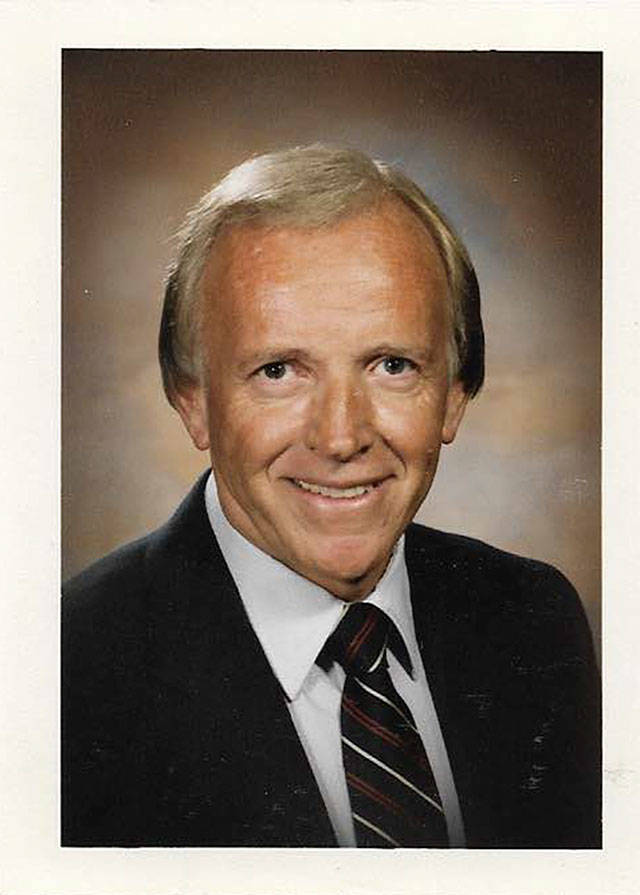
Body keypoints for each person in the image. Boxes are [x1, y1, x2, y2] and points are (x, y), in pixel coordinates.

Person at [62, 144, 600, 849]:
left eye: (392, 364)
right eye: (278, 370)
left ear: (454, 395)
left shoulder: (534, 618)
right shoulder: (67, 673)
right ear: (192, 400)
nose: (341, 437)